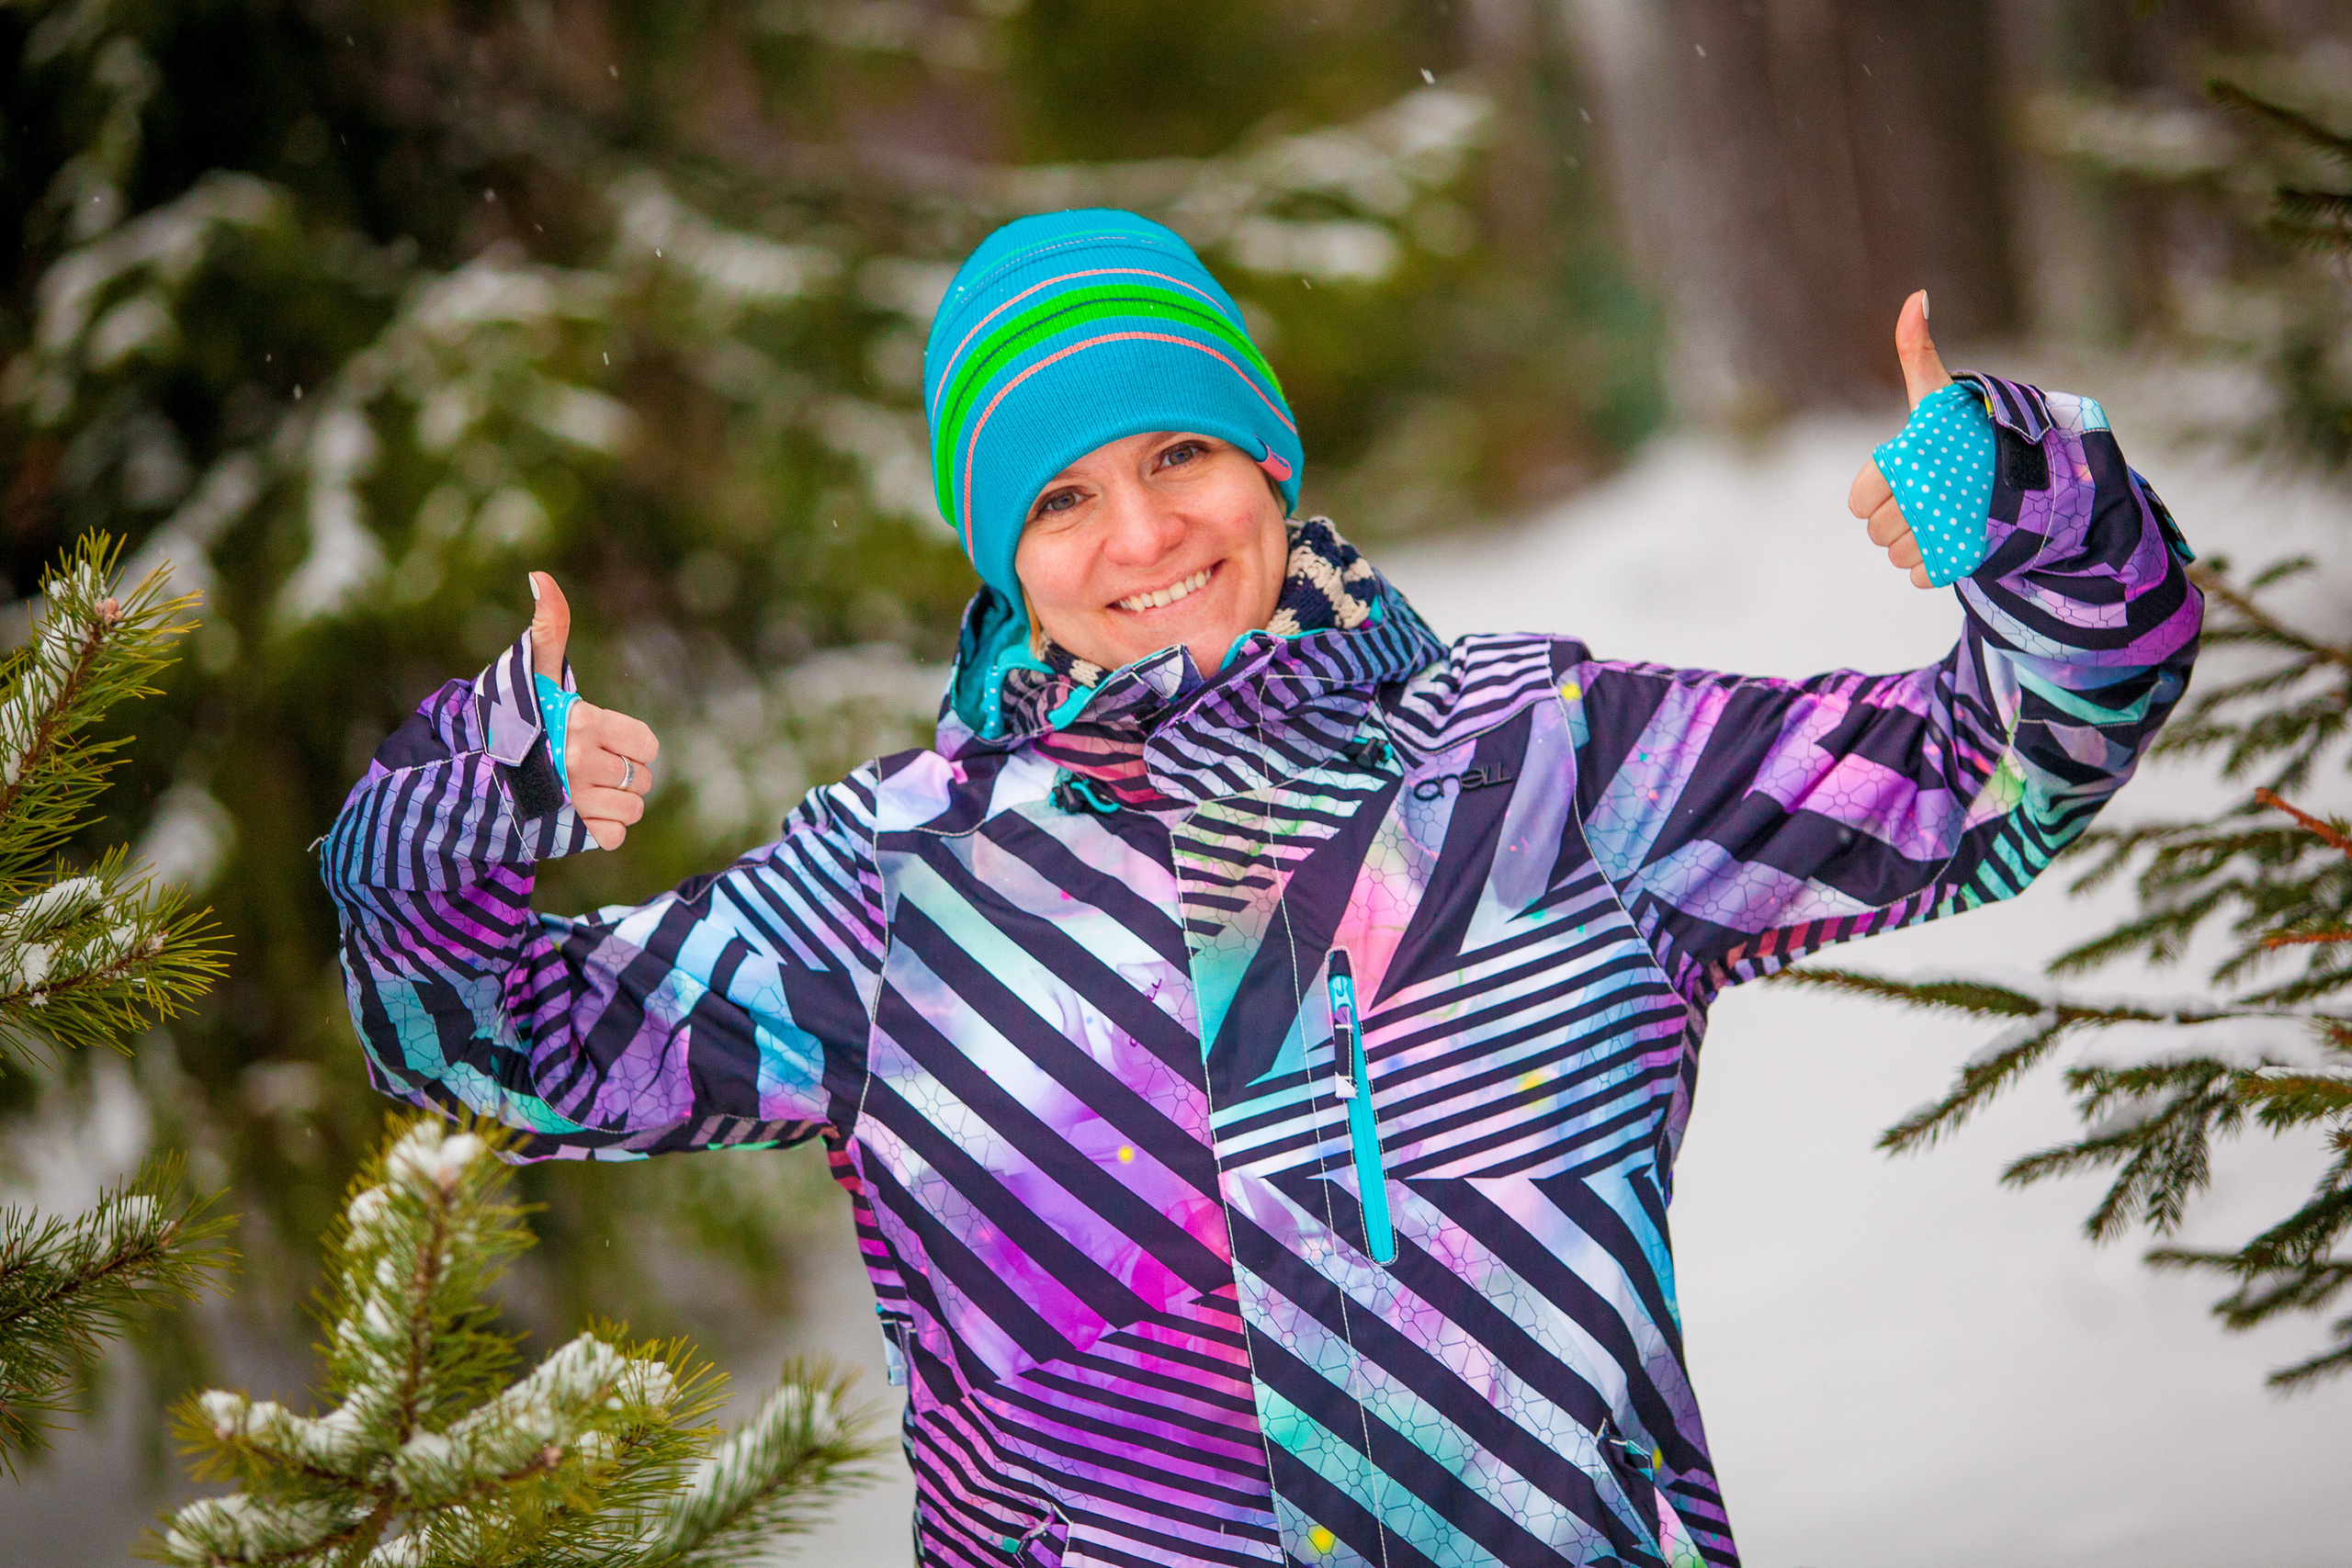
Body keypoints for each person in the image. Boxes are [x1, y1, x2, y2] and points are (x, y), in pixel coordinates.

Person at [323, 210, 2202, 1568]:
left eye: (1177, 453)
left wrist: (2029, 515)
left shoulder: (1540, 758)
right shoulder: (893, 886)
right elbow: (480, 1039)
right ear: (1001, 557)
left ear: (1269, 465)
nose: (1137, 534)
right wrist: (465, 805)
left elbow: (2007, 761)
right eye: (1057, 499)